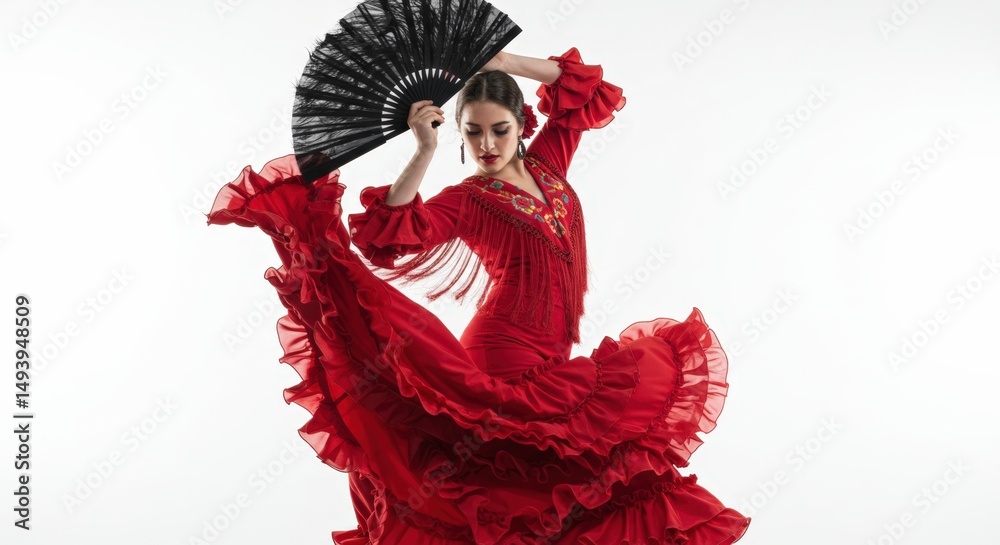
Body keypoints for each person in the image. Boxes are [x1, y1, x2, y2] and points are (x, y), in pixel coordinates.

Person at [207, 46, 750, 544]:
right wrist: (422, 148)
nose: (487, 145)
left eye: (499, 130)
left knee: (580, 492)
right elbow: (388, 234)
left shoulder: (549, 165)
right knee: (527, 489)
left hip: (552, 356)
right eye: (472, 133)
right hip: (503, 357)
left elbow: (584, 87)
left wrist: (495, 59)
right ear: (460, 134)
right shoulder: (466, 199)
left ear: (521, 125)